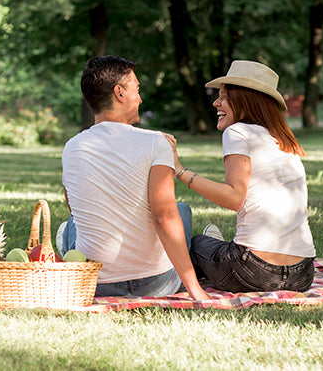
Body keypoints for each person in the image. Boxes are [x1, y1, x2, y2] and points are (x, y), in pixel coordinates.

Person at [58, 55, 209, 300]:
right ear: (119, 93)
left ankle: (65, 237)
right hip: (156, 284)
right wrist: (196, 290)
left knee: (75, 222)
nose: (140, 98)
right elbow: (163, 217)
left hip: (95, 283)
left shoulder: (72, 147)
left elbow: (75, 207)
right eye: (136, 90)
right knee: (181, 211)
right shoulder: (155, 142)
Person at [165, 60, 316, 293]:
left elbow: (234, 198)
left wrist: (180, 170)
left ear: (246, 99)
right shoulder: (284, 141)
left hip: (253, 273)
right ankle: (221, 248)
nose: (216, 103)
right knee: (213, 247)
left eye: (224, 97)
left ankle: (214, 251)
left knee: (196, 243)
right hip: (303, 275)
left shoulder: (237, 132)